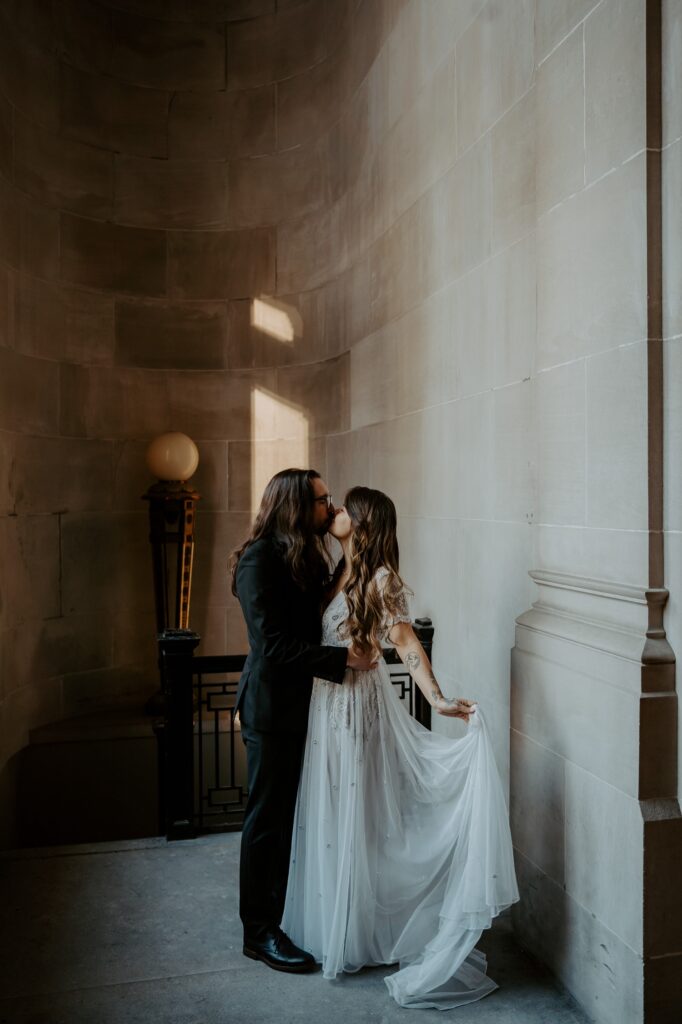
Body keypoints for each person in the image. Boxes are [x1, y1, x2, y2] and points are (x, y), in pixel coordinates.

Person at [281, 486, 519, 1009]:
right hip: (326, 707)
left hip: (354, 711)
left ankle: (375, 929)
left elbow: (406, 644)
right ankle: (343, 926)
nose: (336, 512)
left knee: (357, 816)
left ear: (363, 523)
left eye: (345, 508)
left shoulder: (381, 580)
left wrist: (437, 700)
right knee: (334, 814)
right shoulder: (337, 573)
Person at [231, 469, 377, 974]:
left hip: (306, 706)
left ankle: (285, 914)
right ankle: (259, 933)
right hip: (272, 710)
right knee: (267, 821)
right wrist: (342, 664)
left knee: (291, 817)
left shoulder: (302, 554)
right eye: (321, 500)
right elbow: (271, 648)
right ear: (294, 505)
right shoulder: (258, 560)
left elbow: (328, 600)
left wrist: (347, 544)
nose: (330, 506)